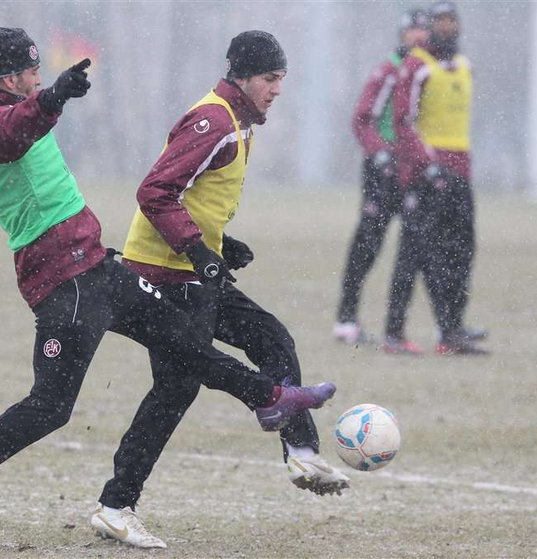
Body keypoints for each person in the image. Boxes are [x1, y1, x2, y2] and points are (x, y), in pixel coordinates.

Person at [0, 27, 337, 551]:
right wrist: (52, 98)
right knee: (50, 407)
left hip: (96, 264)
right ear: (12, 80)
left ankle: (272, 400)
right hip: (62, 279)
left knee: (185, 344)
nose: (38, 80)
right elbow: (7, 130)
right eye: (32, 73)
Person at [90, 30, 351, 548]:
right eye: (271, 79)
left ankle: (300, 455)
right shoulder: (215, 122)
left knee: (270, 338)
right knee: (176, 390)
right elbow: (155, 191)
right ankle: (116, 506)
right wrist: (198, 249)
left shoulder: (240, 122)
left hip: (194, 268)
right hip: (167, 273)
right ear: (244, 77)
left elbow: (192, 196)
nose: (278, 89)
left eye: (282, 79)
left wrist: (220, 244)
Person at [388, 1, 488, 355]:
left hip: (461, 175)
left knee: (461, 253)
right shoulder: (416, 66)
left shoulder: (464, 66)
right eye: (440, 21)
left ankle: (453, 330)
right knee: (414, 254)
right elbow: (404, 121)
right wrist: (426, 163)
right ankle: (394, 332)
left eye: (451, 20)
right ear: (430, 26)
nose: (446, 27)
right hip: (425, 178)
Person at [333, 7, 430, 355]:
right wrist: (380, 151)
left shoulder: (423, 71)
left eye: (424, 31)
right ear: (402, 34)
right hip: (382, 171)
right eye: (414, 31)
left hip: (409, 172)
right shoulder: (388, 70)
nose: (420, 37)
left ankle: (397, 328)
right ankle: (346, 319)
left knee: (413, 246)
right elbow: (362, 119)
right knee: (368, 242)